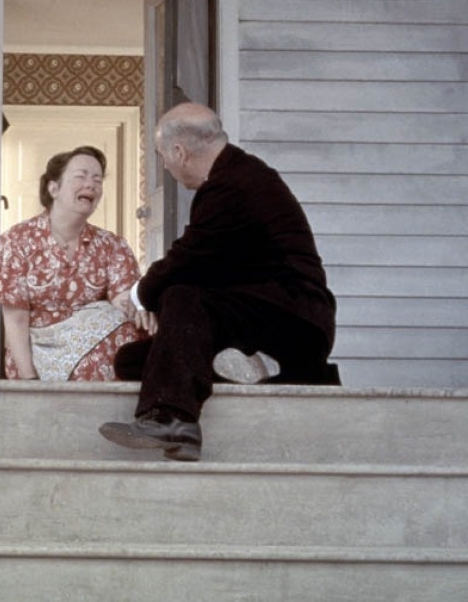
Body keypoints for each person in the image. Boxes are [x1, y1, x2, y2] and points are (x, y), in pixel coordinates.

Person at [99, 102, 337, 462]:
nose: (166, 167)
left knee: (181, 294)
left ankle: (171, 418)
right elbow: (212, 266)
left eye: (163, 157)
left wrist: (140, 296)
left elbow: (187, 261)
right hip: (261, 319)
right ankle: (252, 366)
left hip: (293, 323)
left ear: (179, 152)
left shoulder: (234, 185)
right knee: (133, 361)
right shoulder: (236, 176)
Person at [0, 146, 146, 381]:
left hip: (94, 352)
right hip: (37, 355)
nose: (91, 185)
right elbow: (15, 320)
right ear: (54, 188)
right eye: (81, 176)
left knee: (128, 330)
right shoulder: (16, 241)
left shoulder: (112, 245)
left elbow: (123, 300)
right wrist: (30, 381)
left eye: (97, 180)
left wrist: (137, 306)